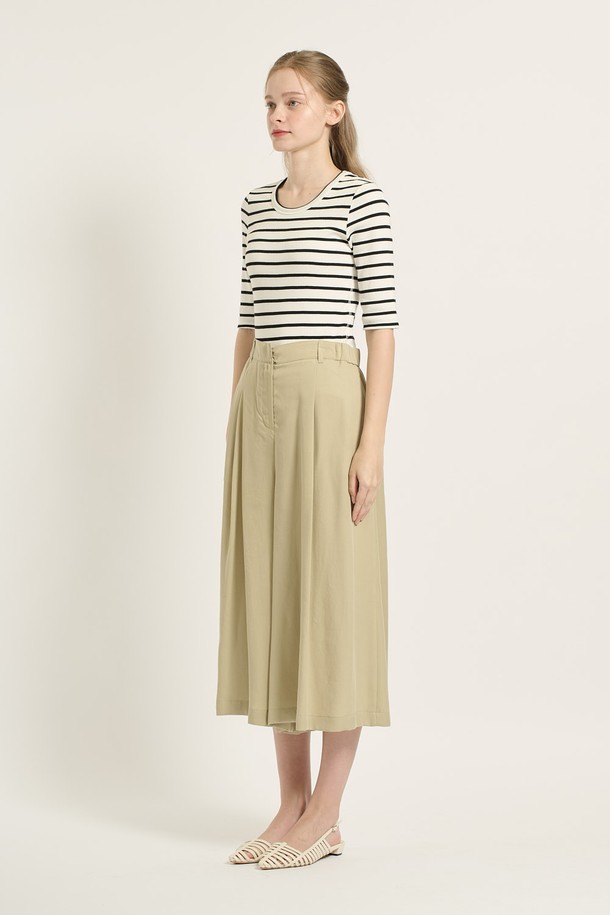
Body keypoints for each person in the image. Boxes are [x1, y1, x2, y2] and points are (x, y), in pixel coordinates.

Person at [216, 49, 399, 870]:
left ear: (332, 110)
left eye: (292, 101)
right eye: (269, 103)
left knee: (333, 596)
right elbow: (248, 319)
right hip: (260, 401)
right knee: (275, 593)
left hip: (329, 398)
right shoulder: (256, 206)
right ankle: (289, 804)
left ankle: (326, 812)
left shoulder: (361, 202)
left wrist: (370, 443)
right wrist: (236, 417)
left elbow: (382, 329)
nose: (277, 116)